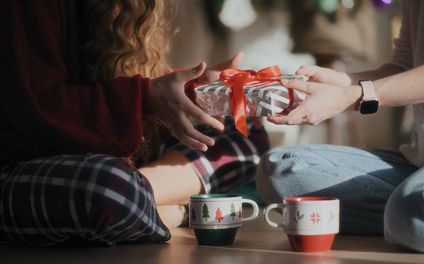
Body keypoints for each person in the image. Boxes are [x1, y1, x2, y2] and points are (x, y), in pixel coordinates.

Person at [0, 0, 269, 246]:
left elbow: (130, 87)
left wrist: (192, 91)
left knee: (244, 130)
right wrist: (147, 97)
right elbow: (38, 108)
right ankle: (178, 210)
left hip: (115, 165)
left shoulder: (137, 7)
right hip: (25, 167)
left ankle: (146, 203)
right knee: (111, 188)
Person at [257, 0, 424, 253]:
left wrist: (350, 97)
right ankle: (416, 212)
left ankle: (419, 211)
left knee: (421, 212)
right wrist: (344, 83)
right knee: (281, 168)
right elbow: (404, 67)